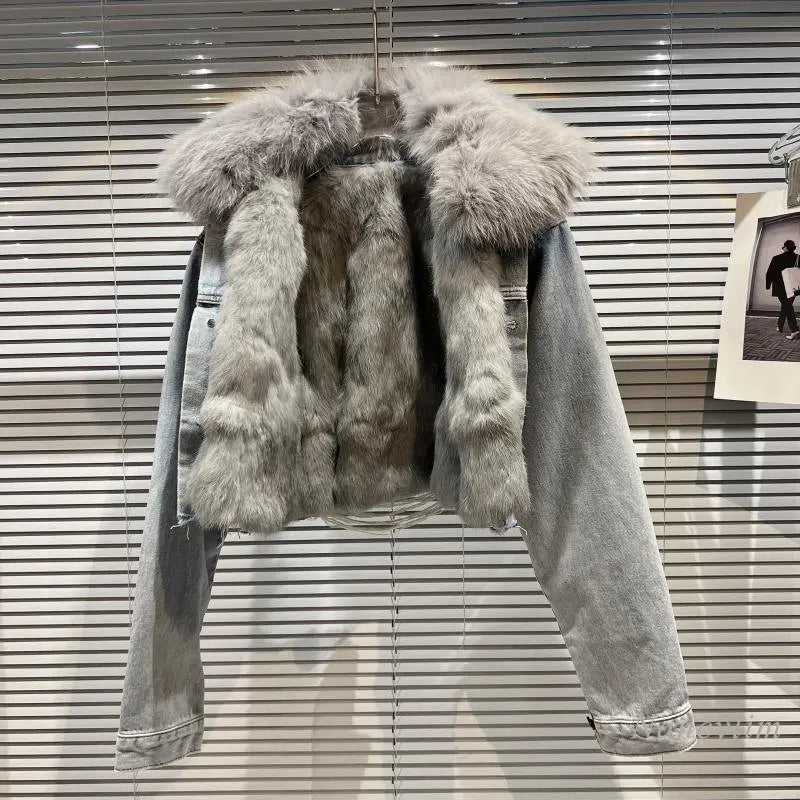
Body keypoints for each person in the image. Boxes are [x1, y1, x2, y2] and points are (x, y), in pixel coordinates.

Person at [765, 239, 800, 340]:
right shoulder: (798, 258)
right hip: (793, 287)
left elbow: (769, 273)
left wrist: (768, 285)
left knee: (787, 306)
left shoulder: (776, 258)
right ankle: (780, 326)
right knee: (786, 305)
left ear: (786, 248)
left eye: (783, 247)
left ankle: (794, 330)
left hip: (780, 287)